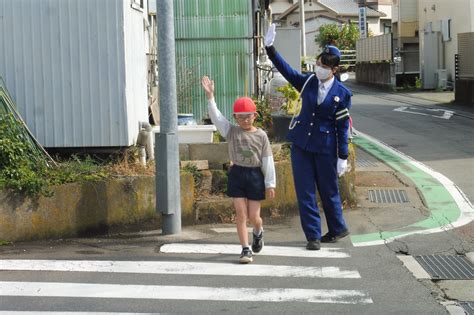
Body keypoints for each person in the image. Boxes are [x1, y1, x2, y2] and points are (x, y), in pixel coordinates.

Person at [264, 24, 351, 250]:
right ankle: (313, 236)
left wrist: (343, 156)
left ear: (334, 70)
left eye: (324, 66)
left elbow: (342, 127)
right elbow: (287, 71)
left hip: (326, 147)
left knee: (329, 190)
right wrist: (270, 49)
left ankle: (337, 228)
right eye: (319, 63)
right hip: (302, 144)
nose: (319, 68)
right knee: (305, 191)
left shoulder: (342, 95)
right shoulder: (309, 82)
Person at [201, 76, 276, 263]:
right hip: (237, 174)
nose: (244, 120)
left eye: (248, 115)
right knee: (241, 214)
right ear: (235, 117)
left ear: (255, 116)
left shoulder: (261, 136)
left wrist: (270, 184)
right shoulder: (231, 131)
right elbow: (217, 117)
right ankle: (245, 249)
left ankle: (258, 232)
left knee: (254, 217)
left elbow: (267, 160)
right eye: (240, 116)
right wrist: (210, 97)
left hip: (255, 176)